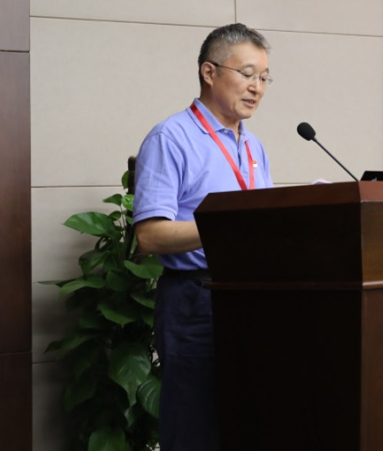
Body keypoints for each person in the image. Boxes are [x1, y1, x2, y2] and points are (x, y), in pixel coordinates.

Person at [133, 23, 274, 451]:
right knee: (195, 428)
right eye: (247, 74)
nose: (257, 88)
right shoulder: (171, 137)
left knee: (247, 424)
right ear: (209, 72)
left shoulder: (253, 147)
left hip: (252, 297)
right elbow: (150, 236)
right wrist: (229, 227)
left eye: (264, 77)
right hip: (196, 299)